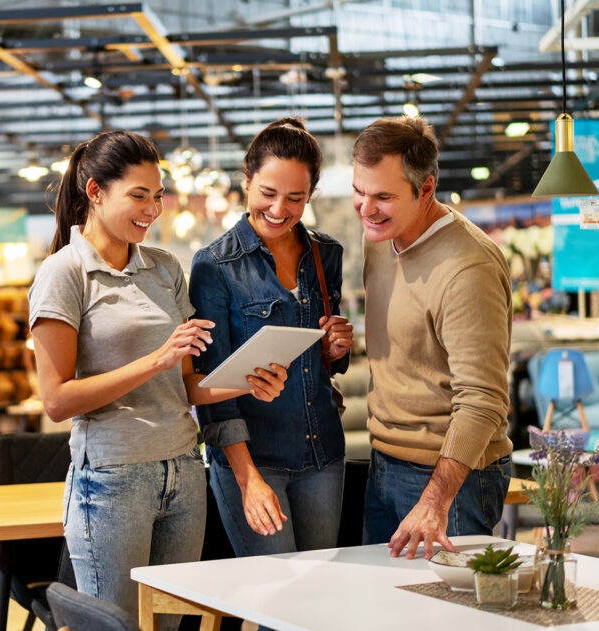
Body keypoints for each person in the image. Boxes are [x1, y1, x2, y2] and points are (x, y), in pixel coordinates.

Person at [28, 130, 288, 623]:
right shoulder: (63, 273)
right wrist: (155, 359)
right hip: (110, 482)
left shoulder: (165, 268)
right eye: (138, 196)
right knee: (116, 624)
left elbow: (187, 385)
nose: (152, 209)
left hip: (184, 472)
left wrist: (247, 380)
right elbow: (57, 401)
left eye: (157, 195)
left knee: (171, 624)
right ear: (96, 192)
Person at [189, 118, 354, 560]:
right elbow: (210, 387)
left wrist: (336, 349)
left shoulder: (326, 255)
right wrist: (247, 478)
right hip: (254, 459)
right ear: (246, 181)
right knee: (275, 602)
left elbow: (324, 362)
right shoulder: (215, 266)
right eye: (268, 193)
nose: (280, 208)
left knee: (319, 599)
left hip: (323, 455)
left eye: (295, 198)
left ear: (310, 195)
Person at [352, 116, 513, 559]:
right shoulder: (380, 239)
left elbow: (483, 399)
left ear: (426, 190)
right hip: (383, 462)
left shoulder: (468, 267)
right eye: (359, 192)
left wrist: (434, 500)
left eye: (383, 196)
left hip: (450, 480)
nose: (366, 208)